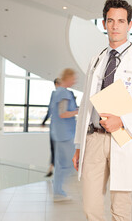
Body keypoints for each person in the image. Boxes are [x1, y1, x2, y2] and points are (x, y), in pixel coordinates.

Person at [72, 0, 132, 221]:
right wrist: (79, 145)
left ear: (129, 25)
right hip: (94, 140)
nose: (115, 26)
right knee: (90, 207)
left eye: (121, 21)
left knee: (120, 209)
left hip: (123, 139)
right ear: (104, 24)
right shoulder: (96, 59)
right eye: (110, 20)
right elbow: (86, 103)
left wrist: (123, 120)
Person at [51, 68, 78, 202]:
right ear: (67, 78)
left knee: (61, 163)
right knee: (69, 164)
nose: (75, 81)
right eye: (73, 78)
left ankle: (57, 189)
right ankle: (58, 190)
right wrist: (78, 111)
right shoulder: (63, 93)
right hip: (65, 134)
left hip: (59, 133)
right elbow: (63, 113)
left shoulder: (57, 93)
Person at [42, 78, 61, 177]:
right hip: (61, 127)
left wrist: (44, 121)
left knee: (54, 148)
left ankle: (53, 167)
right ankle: (53, 167)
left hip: (56, 126)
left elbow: (50, 109)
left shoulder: (55, 94)